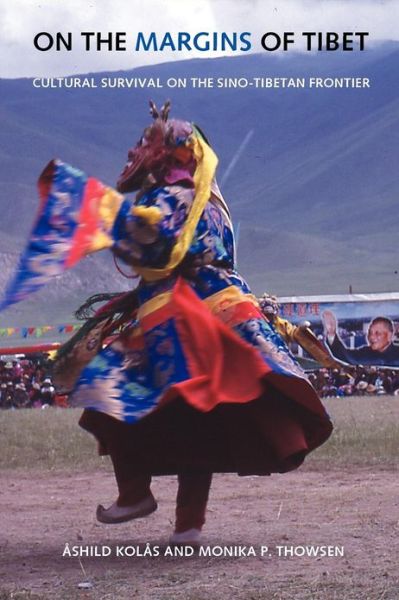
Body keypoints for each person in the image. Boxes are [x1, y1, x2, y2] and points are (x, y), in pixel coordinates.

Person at [11, 101, 334, 545]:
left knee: (114, 391)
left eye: (146, 143)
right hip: (202, 318)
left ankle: (137, 492)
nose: (133, 151)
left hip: (185, 322)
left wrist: (93, 209)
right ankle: (187, 523)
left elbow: (156, 245)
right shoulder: (205, 200)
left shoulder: (174, 198)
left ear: (175, 154)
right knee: (194, 417)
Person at [322, 310, 399, 367]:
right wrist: (332, 333)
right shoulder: (364, 353)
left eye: (377, 333)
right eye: (370, 333)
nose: (371, 337)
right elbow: (345, 355)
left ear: (389, 335)